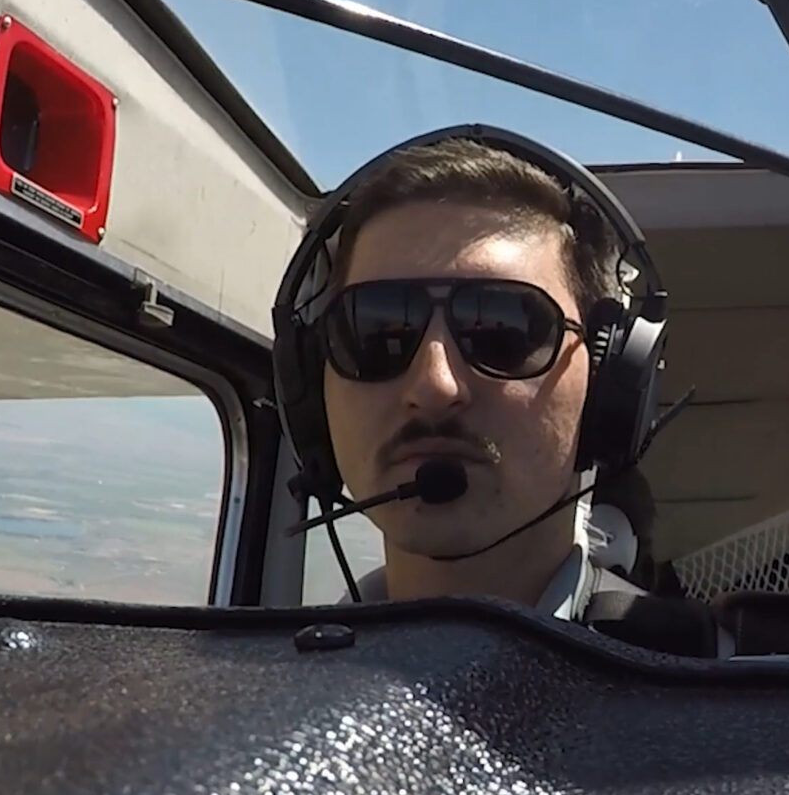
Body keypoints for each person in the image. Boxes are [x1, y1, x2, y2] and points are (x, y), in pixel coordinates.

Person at [273, 126, 670, 623]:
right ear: (310, 381)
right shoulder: (269, 691)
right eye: (374, 333)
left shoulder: (728, 690)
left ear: (606, 381)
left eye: (505, 333)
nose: (435, 385)